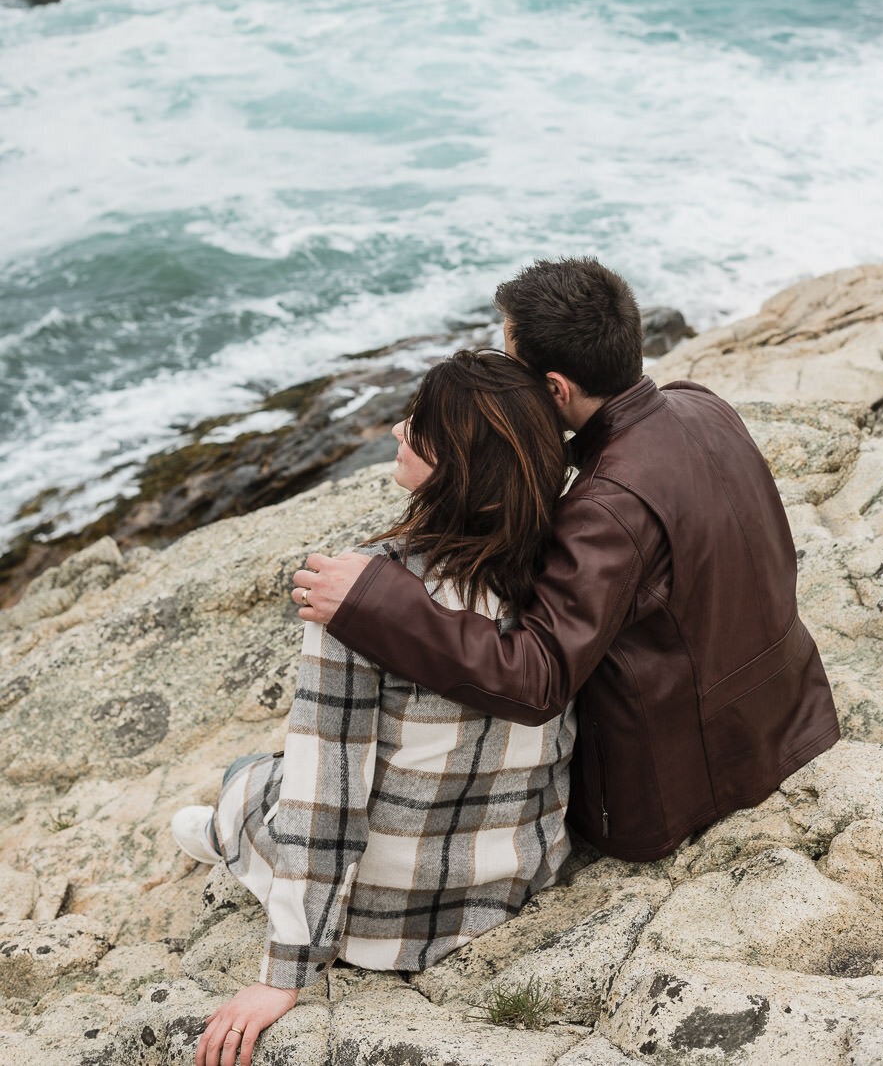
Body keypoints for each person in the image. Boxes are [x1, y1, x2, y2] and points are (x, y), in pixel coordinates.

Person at [296, 256, 840, 865]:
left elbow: (536, 677)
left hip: (678, 788)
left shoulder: (604, 506)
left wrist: (377, 599)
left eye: (513, 365)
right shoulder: (700, 404)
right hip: (788, 715)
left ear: (554, 390)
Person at [173, 350, 575, 1066]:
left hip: (389, 914)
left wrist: (284, 974)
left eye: (417, 426)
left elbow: (329, 796)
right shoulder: (563, 571)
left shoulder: (360, 589)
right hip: (508, 879)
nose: (396, 429)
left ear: (454, 461)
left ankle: (225, 836)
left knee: (260, 778)